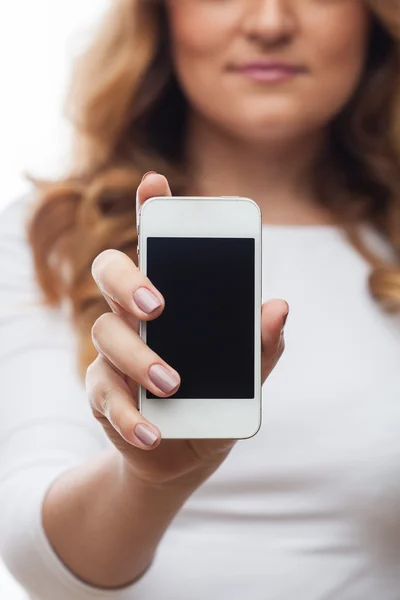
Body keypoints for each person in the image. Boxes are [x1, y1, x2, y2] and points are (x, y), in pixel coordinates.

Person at [1, 0, 400, 598]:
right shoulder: (50, 234)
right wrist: (150, 481)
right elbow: (32, 553)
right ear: (160, 16)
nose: (269, 23)